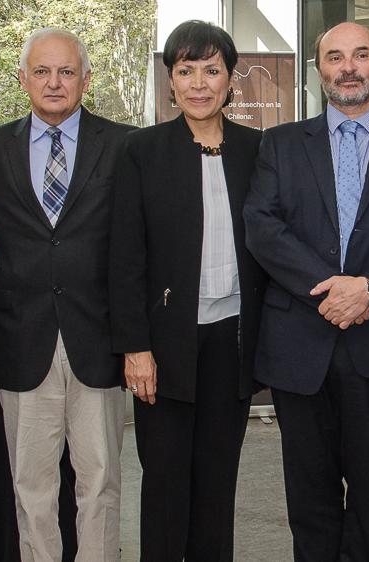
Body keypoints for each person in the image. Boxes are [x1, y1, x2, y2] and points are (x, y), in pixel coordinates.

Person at [243, 21, 369, 562]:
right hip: (300, 345)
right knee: (308, 497)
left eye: (361, 55)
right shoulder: (281, 143)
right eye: (335, 57)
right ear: (319, 70)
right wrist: (333, 291)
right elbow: (263, 226)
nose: (348, 67)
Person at [0, 28, 134, 561]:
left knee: (101, 483)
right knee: (31, 488)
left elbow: (135, 248)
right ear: (22, 80)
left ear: (86, 79)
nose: (54, 82)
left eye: (66, 71)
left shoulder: (124, 145)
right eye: (42, 71)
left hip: (99, 341)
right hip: (23, 343)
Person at [109, 20, 266, 561]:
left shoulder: (257, 149)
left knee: (218, 485)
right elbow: (124, 258)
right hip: (164, 345)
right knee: (166, 485)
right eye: (186, 70)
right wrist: (135, 346)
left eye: (212, 70)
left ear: (230, 81)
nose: (199, 83)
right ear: (170, 81)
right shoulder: (141, 151)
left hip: (233, 340)